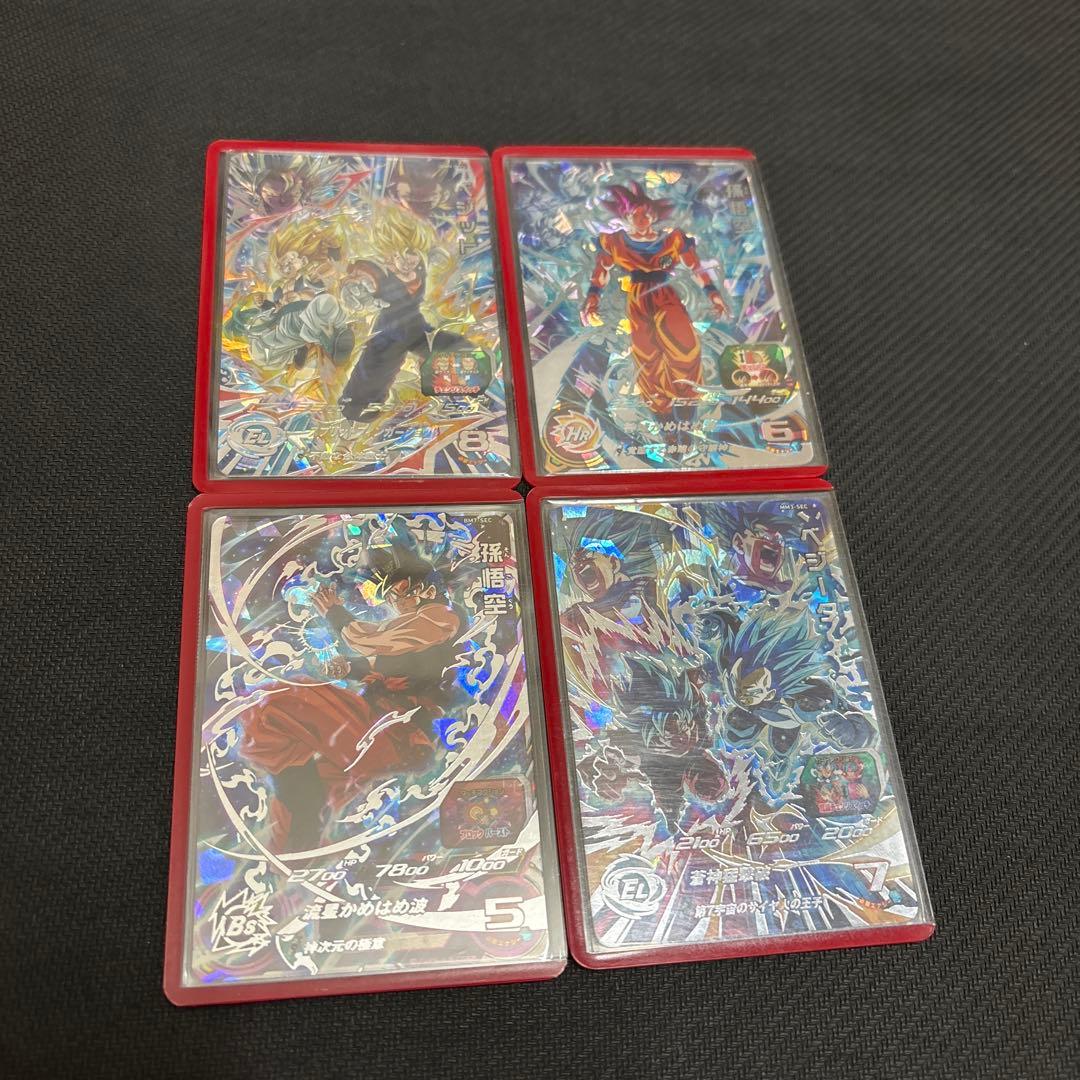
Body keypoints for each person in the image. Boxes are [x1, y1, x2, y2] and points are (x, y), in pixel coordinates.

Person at [239, 558, 463, 853]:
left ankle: (300, 824)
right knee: (302, 804)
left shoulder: (442, 618)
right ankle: (295, 857)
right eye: (389, 595)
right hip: (378, 732)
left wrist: (334, 612)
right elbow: (376, 662)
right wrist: (341, 664)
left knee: (274, 702)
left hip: (392, 735)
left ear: (425, 590)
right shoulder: (414, 638)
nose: (393, 602)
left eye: (398, 591)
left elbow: (370, 641)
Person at [580, 181, 729, 427]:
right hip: (638, 300)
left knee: (685, 349)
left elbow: (695, 268)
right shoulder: (615, 242)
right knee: (648, 358)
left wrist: (713, 293)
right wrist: (592, 297)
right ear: (626, 217)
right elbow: (601, 270)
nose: (640, 220)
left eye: (645, 215)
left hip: (666, 296)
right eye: (634, 215)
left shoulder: (673, 239)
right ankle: (664, 417)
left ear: (654, 216)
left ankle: (687, 410)